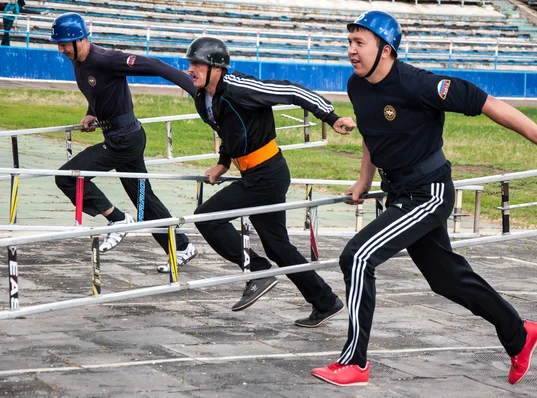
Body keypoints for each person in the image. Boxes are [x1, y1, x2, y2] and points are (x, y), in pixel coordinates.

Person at [311, 10, 537, 386]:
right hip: (400, 192)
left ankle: (354, 363)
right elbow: (372, 137)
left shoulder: (419, 84)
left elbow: (485, 102)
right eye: (349, 43)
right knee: (446, 279)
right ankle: (519, 334)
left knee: (357, 257)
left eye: (360, 43)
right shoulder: (357, 86)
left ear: (386, 50)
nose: (351, 51)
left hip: (429, 191)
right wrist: (363, 181)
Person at [184, 36, 356, 324]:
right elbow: (229, 131)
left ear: (217, 67)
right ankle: (326, 302)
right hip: (252, 173)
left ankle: (257, 271)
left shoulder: (239, 87)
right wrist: (223, 163)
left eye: (197, 63)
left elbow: (291, 89)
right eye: (190, 63)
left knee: (206, 218)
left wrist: (330, 116)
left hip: (267, 173)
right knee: (278, 246)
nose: (191, 69)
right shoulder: (204, 98)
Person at [50, 13, 198, 271]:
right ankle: (182, 246)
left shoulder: (107, 59)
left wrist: (196, 88)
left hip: (124, 140)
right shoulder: (79, 61)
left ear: (81, 40)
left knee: (66, 177)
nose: (61, 49)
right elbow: (100, 90)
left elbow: (155, 65)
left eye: (64, 44)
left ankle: (117, 220)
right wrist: (92, 112)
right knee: (144, 200)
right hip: (120, 136)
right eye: (58, 44)